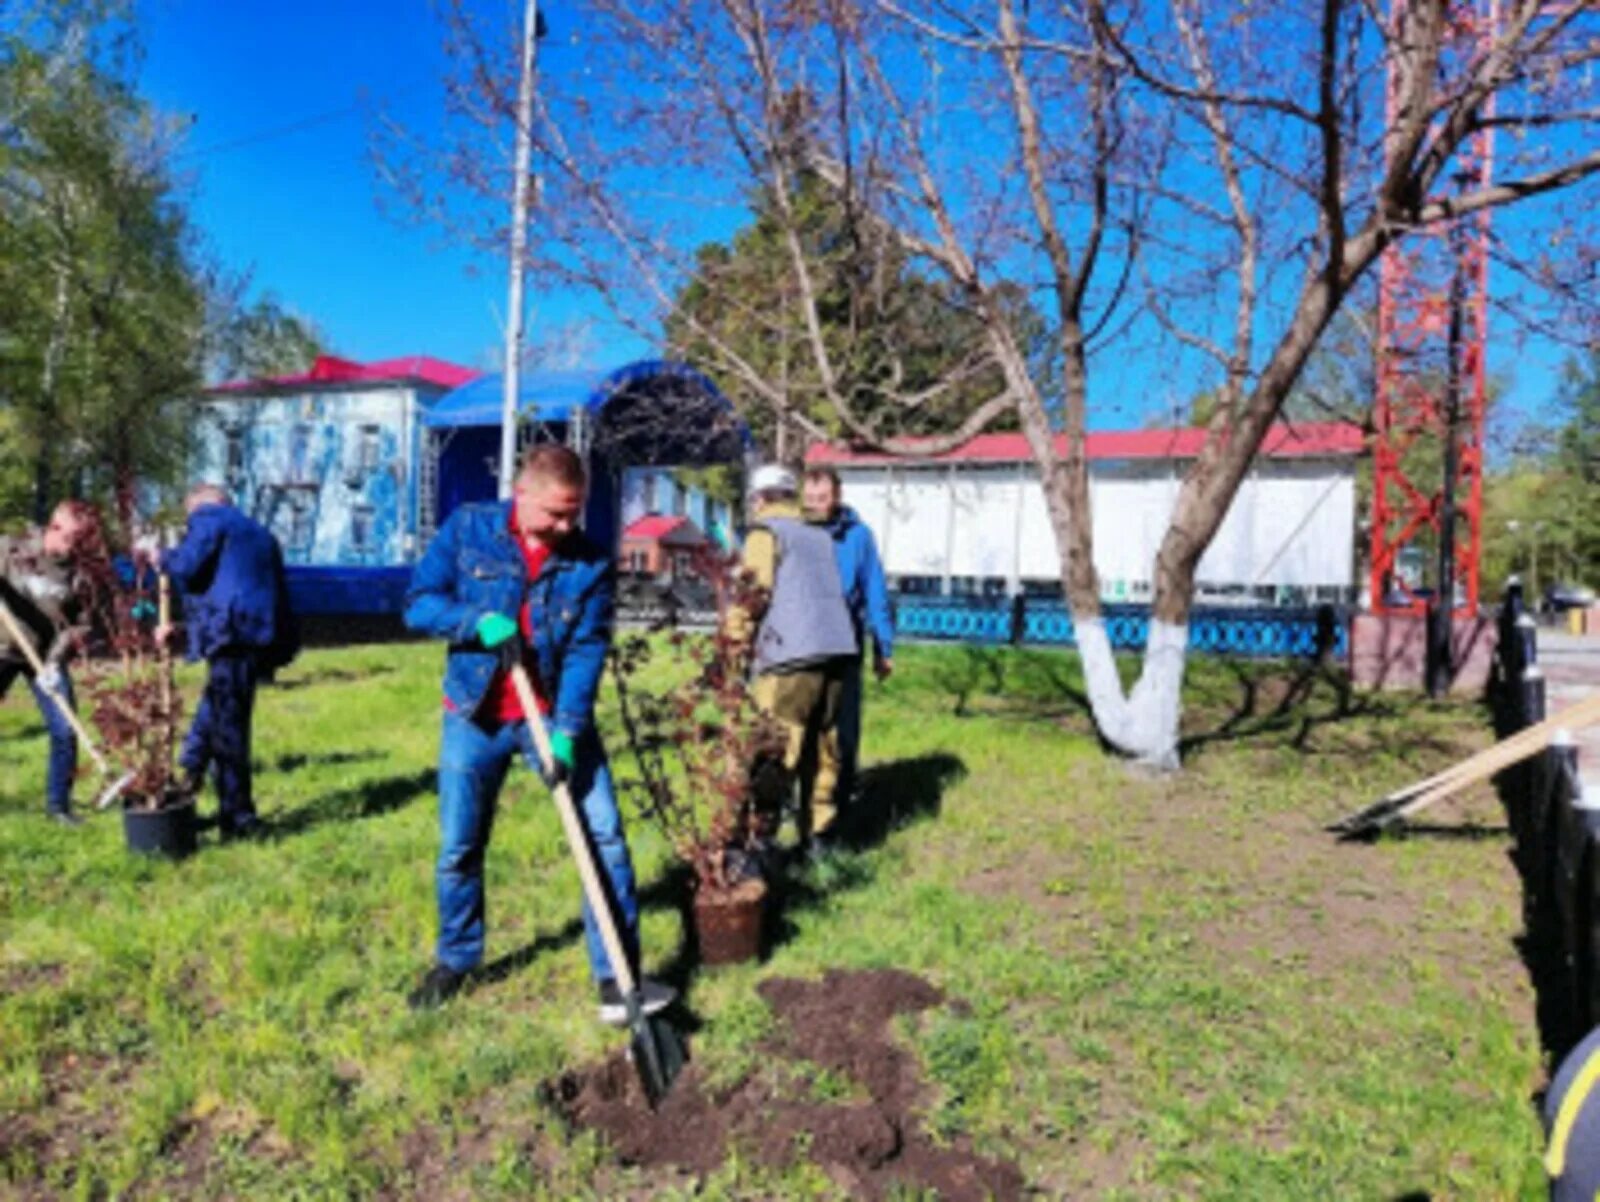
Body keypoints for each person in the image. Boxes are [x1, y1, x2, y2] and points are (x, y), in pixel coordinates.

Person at [402, 444, 674, 1021]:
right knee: (460, 845)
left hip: (549, 715)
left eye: (574, 513)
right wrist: (475, 622)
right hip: (474, 714)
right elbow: (418, 605)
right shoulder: (469, 529)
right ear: (521, 493)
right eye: (554, 513)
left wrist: (569, 731)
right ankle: (457, 959)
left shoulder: (589, 561)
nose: (564, 525)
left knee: (603, 838)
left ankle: (616, 977)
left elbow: (586, 650)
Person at [151, 484, 298, 841]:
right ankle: (186, 785)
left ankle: (237, 817)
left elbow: (187, 564)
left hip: (231, 634)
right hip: (257, 636)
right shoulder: (259, 533)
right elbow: (229, 585)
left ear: (197, 507)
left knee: (229, 727)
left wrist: (159, 556)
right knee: (215, 710)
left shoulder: (209, 518)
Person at [728, 464, 858, 856]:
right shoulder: (818, 536)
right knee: (823, 751)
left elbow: (752, 595)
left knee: (775, 748)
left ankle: (759, 841)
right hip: (838, 652)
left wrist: (732, 651)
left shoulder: (765, 533)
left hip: (790, 658)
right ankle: (818, 838)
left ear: (759, 498)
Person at [0, 501, 103, 826]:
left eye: (81, 542)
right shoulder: (12, 549)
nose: (74, 549)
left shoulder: (79, 575)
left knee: (65, 729)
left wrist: (55, 664)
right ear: (54, 527)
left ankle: (59, 807)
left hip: (43, 659)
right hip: (2, 647)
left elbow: (80, 625)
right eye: (72, 539)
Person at [802, 465, 894, 805]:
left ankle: (844, 791)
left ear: (837, 496)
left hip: (845, 643)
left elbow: (875, 592)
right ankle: (804, 794)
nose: (815, 505)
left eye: (822, 498)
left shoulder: (859, 536)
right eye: (809, 498)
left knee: (844, 725)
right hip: (805, 643)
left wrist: (883, 647)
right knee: (805, 724)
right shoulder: (797, 533)